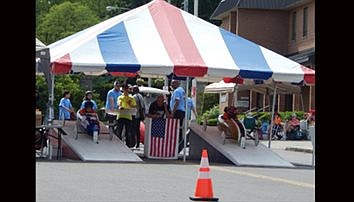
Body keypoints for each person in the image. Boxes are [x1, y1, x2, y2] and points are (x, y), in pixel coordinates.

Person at [169, 79, 186, 152]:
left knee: (175, 129)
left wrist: (173, 112)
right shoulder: (181, 90)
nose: (171, 85)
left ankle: (176, 145)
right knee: (178, 128)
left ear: (177, 83)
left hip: (178, 111)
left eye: (173, 83)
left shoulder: (177, 91)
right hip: (181, 111)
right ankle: (178, 144)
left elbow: (177, 101)